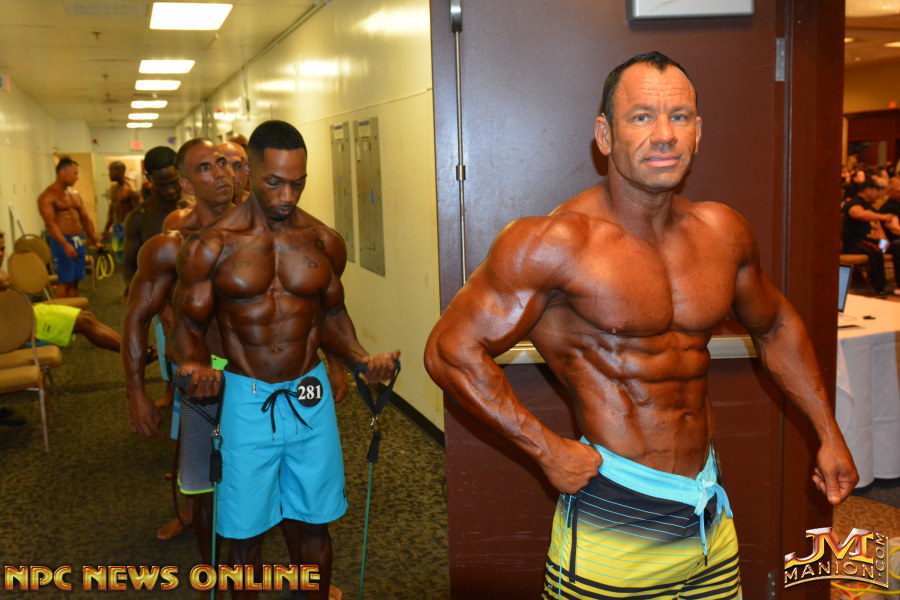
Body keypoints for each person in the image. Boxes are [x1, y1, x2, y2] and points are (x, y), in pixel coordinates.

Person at [424, 51, 858, 600]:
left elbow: (775, 325)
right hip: (612, 516)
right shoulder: (554, 243)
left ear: (698, 132)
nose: (664, 135)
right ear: (605, 135)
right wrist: (545, 449)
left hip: (706, 513)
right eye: (642, 117)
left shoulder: (723, 233)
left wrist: (828, 431)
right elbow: (450, 351)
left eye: (680, 117)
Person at [172, 120, 398, 600]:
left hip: (308, 394)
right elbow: (187, 325)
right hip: (245, 396)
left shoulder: (322, 240)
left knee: (315, 524)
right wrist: (196, 368)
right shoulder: (211, 245)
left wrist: (361, 359)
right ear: (248, 173)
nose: (286, 196)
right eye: (274, 182)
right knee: (243, 533)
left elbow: (331, 314)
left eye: (297, 183)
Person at [0, 232, 123, 354]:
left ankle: (131, 350)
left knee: (87, 316)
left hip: (27, 313)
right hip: (15, 327)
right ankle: (132, 353)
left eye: (2, 249)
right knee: (85, 323)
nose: (1, 254)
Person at [37, 156, 102, 298]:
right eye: (75, 174)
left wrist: (94, 240)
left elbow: (85, 219)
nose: (77, 177)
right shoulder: (47, 196)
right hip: (62, 241)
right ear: (63, 172)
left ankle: (75, 310)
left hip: (78, 240)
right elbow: (50, 224)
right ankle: (60, 311)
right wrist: (65, 244)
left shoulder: (75, 195)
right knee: (65, 282)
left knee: (75, 281)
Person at [122, 146, 182, 297]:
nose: (170, 190)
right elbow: (130, 266)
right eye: (162, 185)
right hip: (159, 298)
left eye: (174, 183)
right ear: (149, 179)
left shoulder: (199, 207)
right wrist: (139, 299)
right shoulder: (139, 217)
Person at [842, 176, 894, 297]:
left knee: (895, 247)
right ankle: (879, 289)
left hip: (872, 242)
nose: (879, 194)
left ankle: (897, 285)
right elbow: (857, 214)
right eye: (877, 190)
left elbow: (878, 229)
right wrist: (882, 216)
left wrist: (884, 242)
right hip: (855, 242)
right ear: (868, 190)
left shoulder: (870, 207)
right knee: (876, 251)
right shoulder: (856, 202)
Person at [101, 161, 140, 265]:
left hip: (128, 227)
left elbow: (138, 213)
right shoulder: (113, 189)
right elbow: (112, 210)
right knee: (119, 258)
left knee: (131, 258)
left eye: (111, 171)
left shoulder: (130, 189)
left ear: (120, 171)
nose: (109, 174)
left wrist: (136, 232)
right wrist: (106, 229)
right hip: (116, 227)